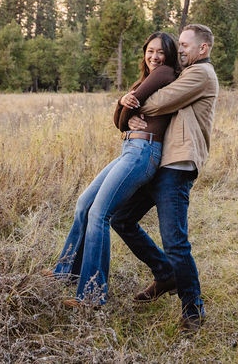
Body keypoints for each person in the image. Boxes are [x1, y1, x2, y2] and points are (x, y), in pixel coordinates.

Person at [45, 31, 181, 307]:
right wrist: (123, 103)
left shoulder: (165, 73)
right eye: (150, 51)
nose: (155, 57)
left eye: (160, 52)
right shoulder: (143, 80)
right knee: (84, 204)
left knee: (100, 214)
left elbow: (129, 109)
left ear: (168, 56)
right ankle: (66, 272)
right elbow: (120, 122)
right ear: (144, 52)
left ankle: (92, 295)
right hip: (129, 149)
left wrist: (126, 104)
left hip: (144, 152)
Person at [112, 23, 218, 333]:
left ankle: (192, 307)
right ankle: (164, 274)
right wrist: (128, 107)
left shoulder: (201, 74)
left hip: (177, 166)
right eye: (179, 44)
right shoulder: (183, 71)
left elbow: (158, 102)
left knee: (175, 241)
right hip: (158, 162)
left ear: (203, 49)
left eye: (186, 44)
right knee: (121, 218)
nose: (179, 48)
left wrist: (130, 100)